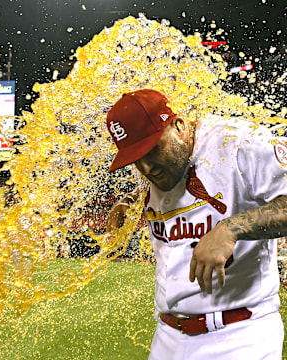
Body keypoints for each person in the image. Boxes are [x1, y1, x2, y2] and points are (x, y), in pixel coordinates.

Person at [105, 89, 287, 359]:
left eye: (151, 150)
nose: (146, 167)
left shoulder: (237, 142)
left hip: (238, 335)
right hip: (167, 336)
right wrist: (131, 200)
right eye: (135, 159)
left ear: (178, 126)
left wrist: (232, 228)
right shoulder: (162, 168)